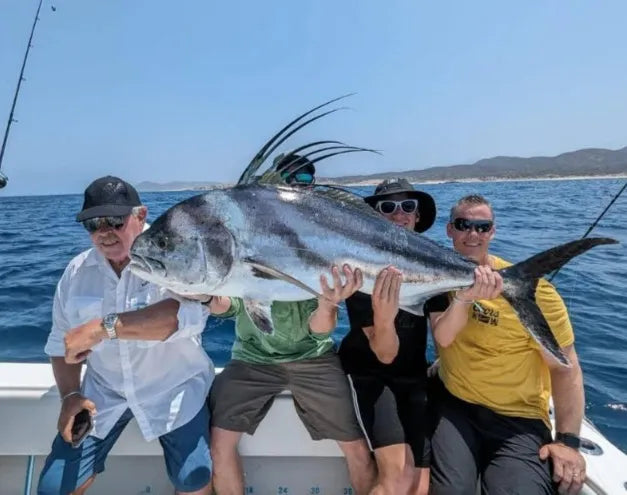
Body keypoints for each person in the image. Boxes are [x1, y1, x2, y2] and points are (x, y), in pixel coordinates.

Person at [38, 176, 214, 495]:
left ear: (141, 216)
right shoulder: (75, 273)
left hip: (175, 389)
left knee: (193, 477)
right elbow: (59, 343)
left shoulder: (175, 255)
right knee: (53, 488)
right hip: (104, 392)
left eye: (115, 221)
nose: (104, 232)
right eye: (93, 224)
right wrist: (70, 396)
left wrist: (103, 328)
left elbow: (182, 319)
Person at [429, 194, 587, 495]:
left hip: (519, 420)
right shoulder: (438, 277)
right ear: (449, 229)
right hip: (454, 406)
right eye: (463, 225)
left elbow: (566, 369)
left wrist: (567, 442)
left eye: (482, 226)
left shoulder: (543, 295)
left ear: (492, 231)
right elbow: (443, 338)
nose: (472, 234)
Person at [338, 178, 449, 495]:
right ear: (375, 217)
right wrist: (385, 319)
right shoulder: (360, 269)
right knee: (397, 479)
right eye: (387, 207)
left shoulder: (434, 263)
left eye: (407, 206)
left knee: (421, 487)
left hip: (413, 376)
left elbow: (443, 333)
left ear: (416, 216)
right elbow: (384, 354)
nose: (399, 213)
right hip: (369, 375)